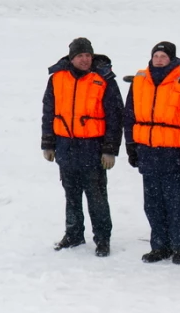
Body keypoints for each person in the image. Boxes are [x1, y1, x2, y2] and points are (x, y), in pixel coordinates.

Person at [41, 37, 124, 257]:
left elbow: (115, 117)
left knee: (97, 196)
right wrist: (48, 143)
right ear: (72, 57)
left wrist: (109, 149)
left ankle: (102, 238)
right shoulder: (57, 78)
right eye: (80, 56)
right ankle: (74, 234)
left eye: (88, 55)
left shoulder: (104, 79)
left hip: (93, 147)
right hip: (65, 146)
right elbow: (49, 112)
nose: (85, 60)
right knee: (71, 194)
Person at [124, 41, 180, 265]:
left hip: (174, 154)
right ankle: (159, 246)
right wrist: (131, 145)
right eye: (156, 55)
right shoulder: (139, 82)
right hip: (147, 152)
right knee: (152, 204)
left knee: (175, 204)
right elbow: (129, 115)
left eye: (163, 56)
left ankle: (178, 247)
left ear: (172, 59)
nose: (159, 59)